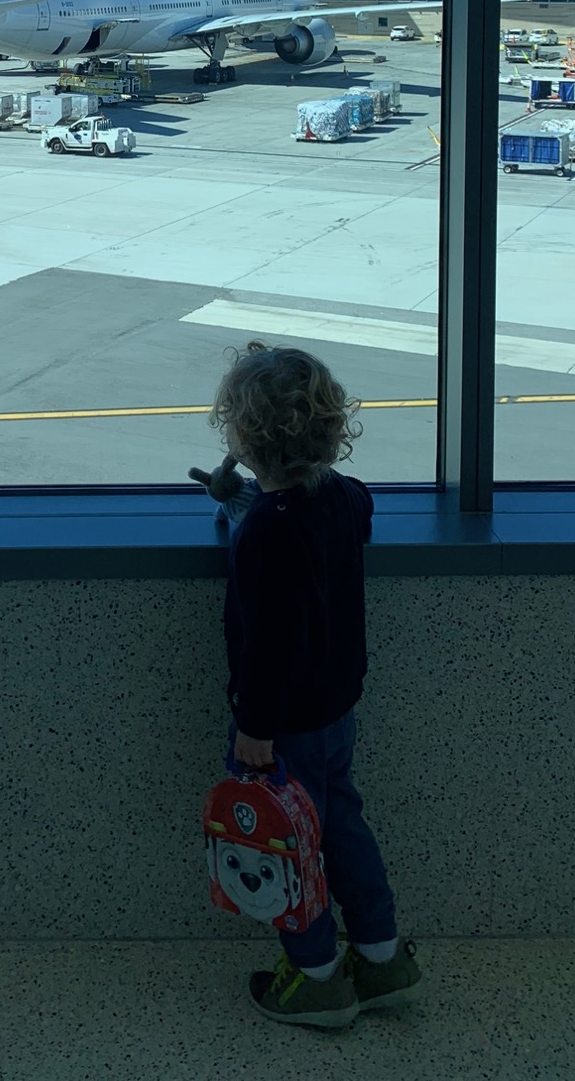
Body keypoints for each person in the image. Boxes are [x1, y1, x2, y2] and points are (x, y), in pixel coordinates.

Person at [189, 343, 422, 1031]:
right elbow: (309, 545)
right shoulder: (350, 498)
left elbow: (269, 643)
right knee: (342, 825)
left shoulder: (265, 532)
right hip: (337, 706)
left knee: (287, 843)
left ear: (243, 437)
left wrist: (254, 727)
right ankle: (381, 957)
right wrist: (248, 503)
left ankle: (317, 975)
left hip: (283, 726)